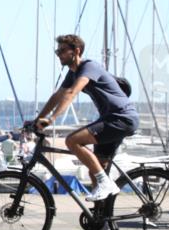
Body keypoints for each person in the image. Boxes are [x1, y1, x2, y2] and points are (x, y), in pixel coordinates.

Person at [33, 34, 139, 207]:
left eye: (62, 51)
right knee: (96, 171)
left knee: (72, 140)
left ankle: (105, 183)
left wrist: (51, 119)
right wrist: (37, 119)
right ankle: (100, 224)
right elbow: (57, 96)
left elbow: (71, 93)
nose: (58, 54)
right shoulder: (73, 73)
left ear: (76, 51)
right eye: (57, 51)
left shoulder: (89, 67)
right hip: (112, 119)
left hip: (121, 117)